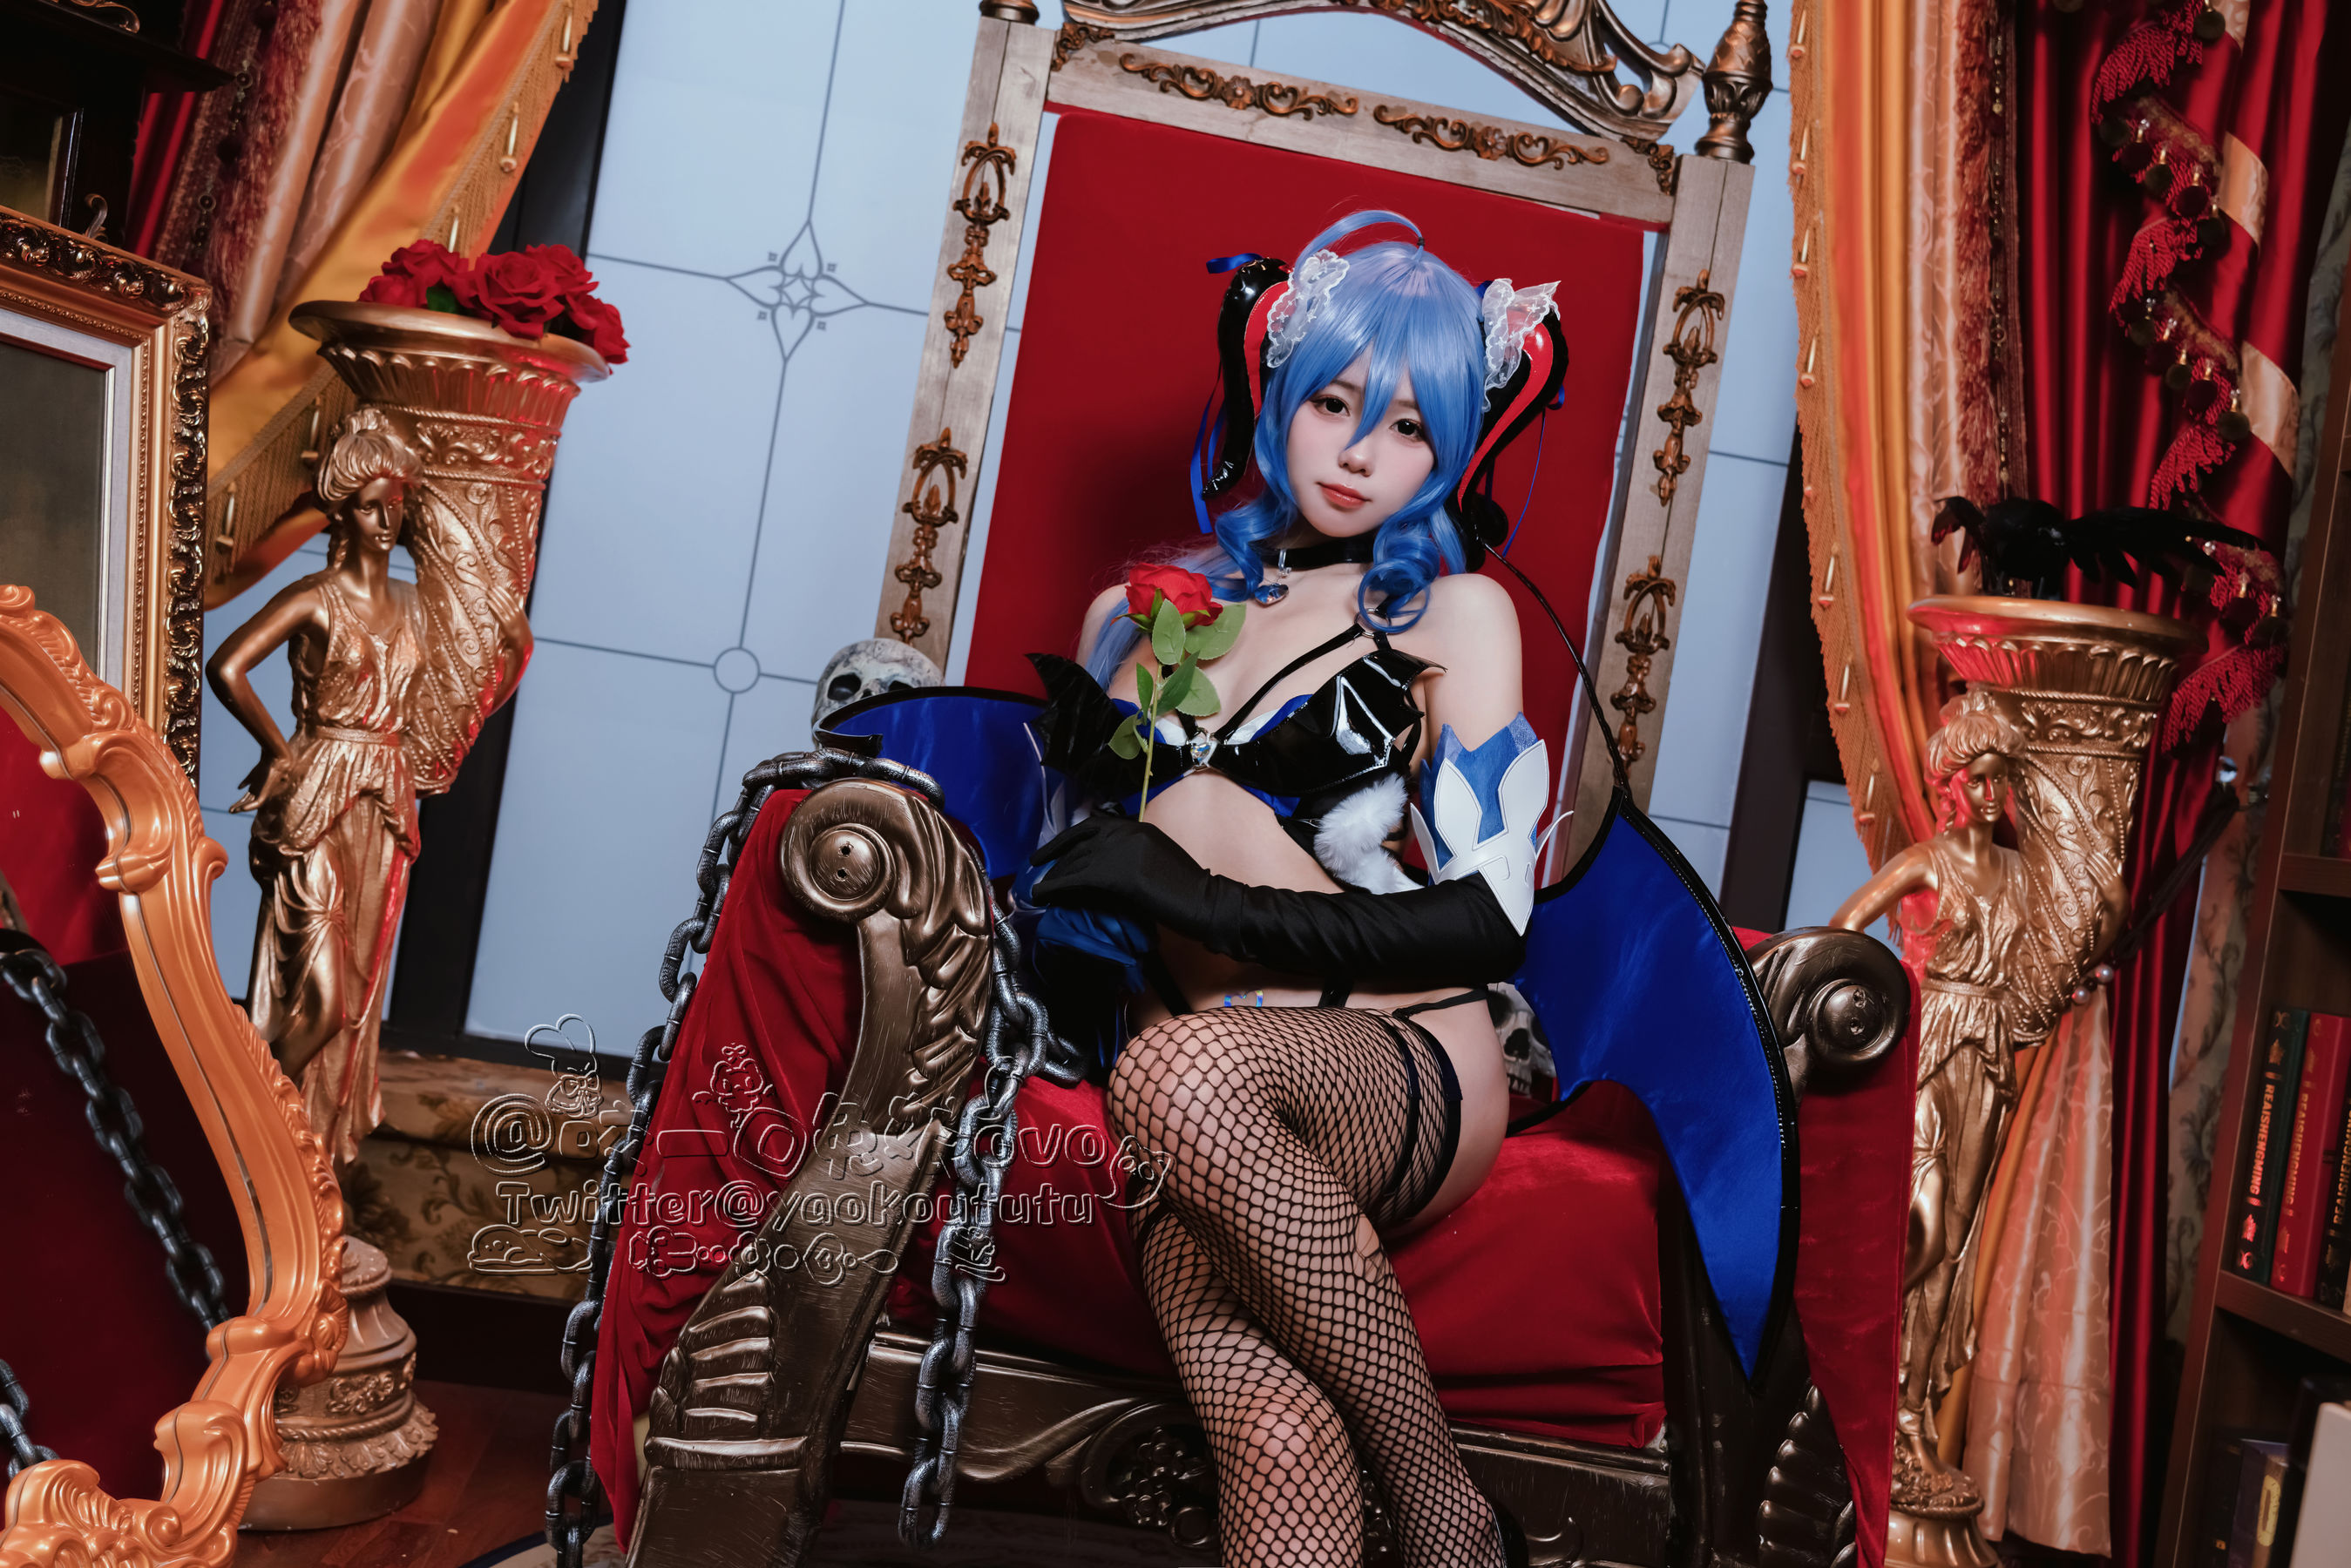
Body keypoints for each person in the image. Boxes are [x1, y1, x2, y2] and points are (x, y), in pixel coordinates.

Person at [1020, 211, 1562, 1567]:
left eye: (1408, 428)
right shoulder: (1133, 612)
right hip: (1188, 1073)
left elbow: (1488, 920)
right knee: (1271, 1436)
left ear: (1451, 449)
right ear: (1279, 394)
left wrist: (1197, 899)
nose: (1360, 453)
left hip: (1391, 1051)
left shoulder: (1453, 617)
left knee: (1178, 1076)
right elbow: (1068, 882)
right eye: (1334, 404)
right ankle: (1444, 1531)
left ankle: (1437, 1500)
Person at [206, 409, 524, 1165]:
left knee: (356, 995)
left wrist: (505, 629)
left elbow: (493, 663)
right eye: (372, 506)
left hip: (386, 796)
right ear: (343, 512)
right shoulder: (315, 596)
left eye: (396, 506)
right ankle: (249, 1135)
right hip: (317, 792)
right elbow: (227, 666)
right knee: (321, 1001)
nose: (388, 522)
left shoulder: (416, 606)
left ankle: (299, 1157)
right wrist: (278, 751)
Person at [1828, 692, 2031, 1511]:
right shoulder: (1923, 861)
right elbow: (1844, 928)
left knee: (1953, 1244)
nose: (1991, 793)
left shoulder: (2020, 874)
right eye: (1978, 778)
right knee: (1923, 1223)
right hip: (1926, 1040)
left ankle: (1909, 1419)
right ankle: (1846, 1372)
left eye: (2001, 779)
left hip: (1986, 1057)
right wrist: (1875, 1010)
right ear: (1950, 783)